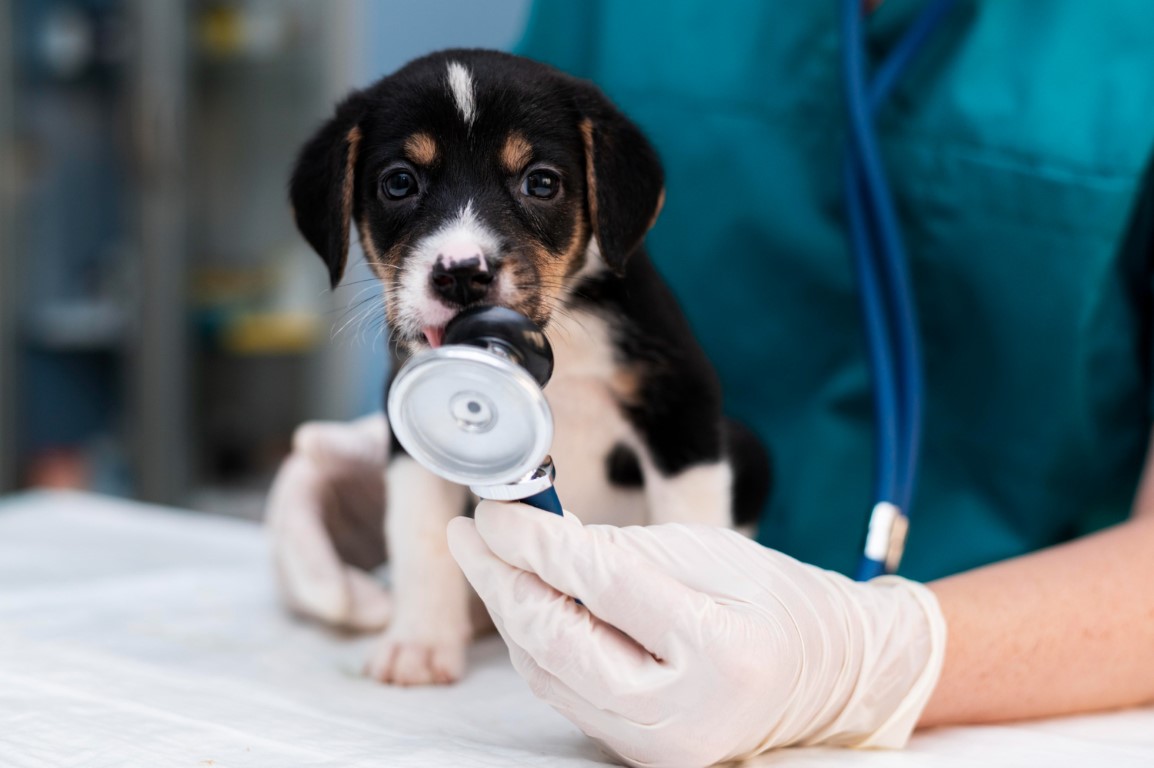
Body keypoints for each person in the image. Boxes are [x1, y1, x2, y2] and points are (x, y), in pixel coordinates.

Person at [268, 1, 1154, 765]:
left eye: (536, 184)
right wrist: (420, 462)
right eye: (398, 184)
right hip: (515, 688)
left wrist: (864, 658)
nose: (464, 251)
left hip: (1048, 693)